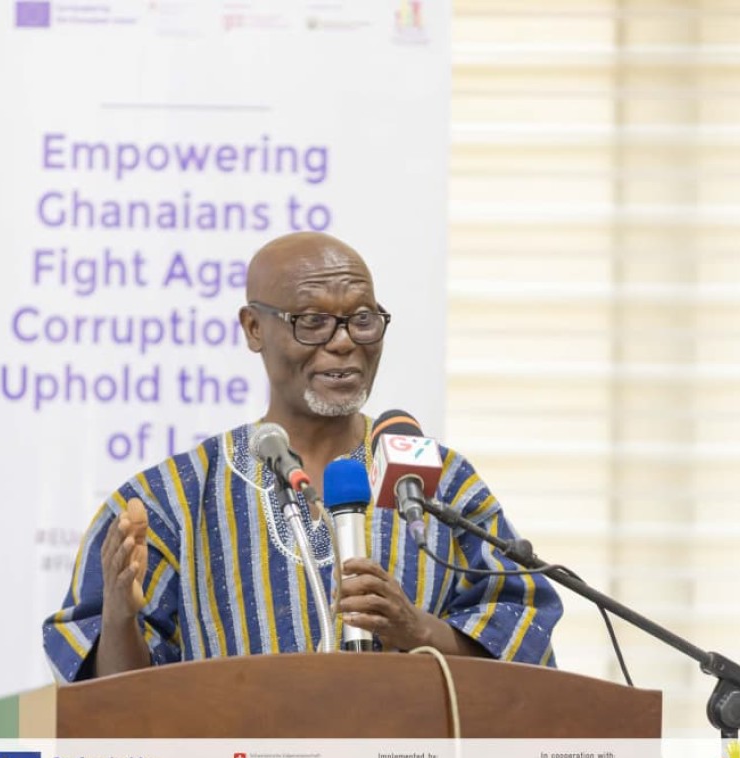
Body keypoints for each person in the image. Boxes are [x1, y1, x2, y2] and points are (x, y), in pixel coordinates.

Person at [43, 231, 562, 681]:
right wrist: (118, 616)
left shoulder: (438, 483)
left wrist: (417, 630)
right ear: (254, 328)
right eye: (312, 321)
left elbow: (522, 652)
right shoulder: (170, 500)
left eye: (362, 319)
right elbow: (116, 707)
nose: (344, 342)